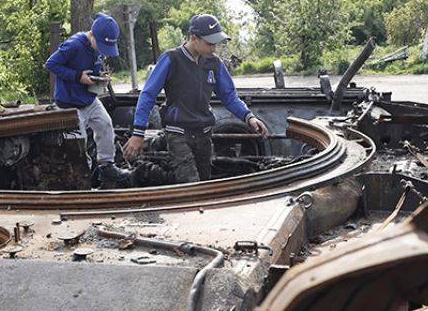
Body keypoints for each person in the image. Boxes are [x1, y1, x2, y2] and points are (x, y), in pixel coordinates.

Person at [123, 14, 269, 182]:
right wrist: (138, 133)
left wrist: (249, 117)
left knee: (205, 181)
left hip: (204, 135)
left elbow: (229, 96)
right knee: (192, 185)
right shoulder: (171, 59)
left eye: (215, 44)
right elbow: (148, 95)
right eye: (209, 43)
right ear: (194, 38)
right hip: (178, 134)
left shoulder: (214, 64)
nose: (213, 49)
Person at [44, 13, 130, 186]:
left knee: (106, 124)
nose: (102, 51)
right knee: (79, 143)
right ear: (92, 34)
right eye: (102, 46)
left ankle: (106, 166)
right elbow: (51, 64)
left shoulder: (96, 47)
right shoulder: (74, 45)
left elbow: (92, 69)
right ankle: (84, 178)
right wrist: (77, 76)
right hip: (70, 105)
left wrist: (101, 77)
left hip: (89, 100)